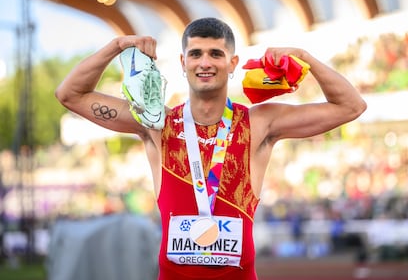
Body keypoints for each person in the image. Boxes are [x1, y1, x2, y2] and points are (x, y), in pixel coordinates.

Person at [55, 17, 366, 279]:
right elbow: (70, 94)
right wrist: (117, 47)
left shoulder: (259, 124)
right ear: (183, 62)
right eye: (196, 54)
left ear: (232, 63)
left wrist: (305, 58)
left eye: (216, 54)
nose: (205, 63)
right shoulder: (156, 123)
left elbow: (351, 106)